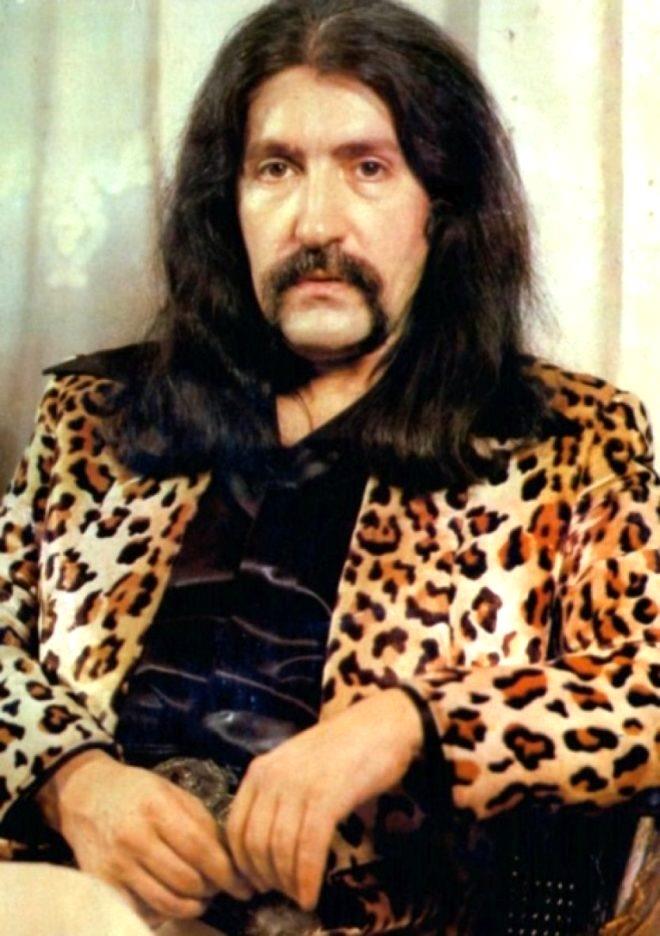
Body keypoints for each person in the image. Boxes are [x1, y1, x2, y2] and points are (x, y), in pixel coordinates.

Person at [0, 0, 658, 932]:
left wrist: (406, 724)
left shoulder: (568, 441)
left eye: (368, 168)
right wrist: (71, 780)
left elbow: (644, 689)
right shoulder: (97, 415)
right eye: (276, 168)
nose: (317, 224)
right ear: (228, 203)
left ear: (441, 209)